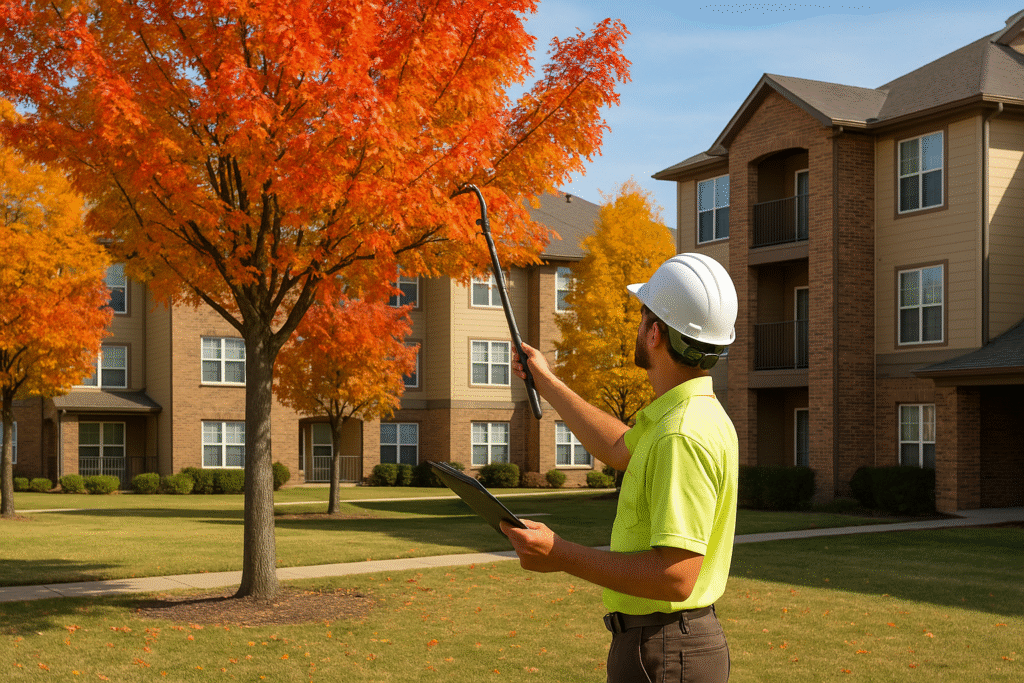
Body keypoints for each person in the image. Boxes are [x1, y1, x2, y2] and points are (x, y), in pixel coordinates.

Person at [500, 252, 739, 683]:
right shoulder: (689, 414)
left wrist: (560, 555)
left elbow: (676, 577)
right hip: (669, 646)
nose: (639, 322)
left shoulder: (679, 433)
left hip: (665, 652)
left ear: (655, 334)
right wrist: (546, 381)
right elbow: (616, 446)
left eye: (642, 313)